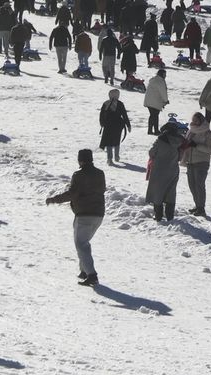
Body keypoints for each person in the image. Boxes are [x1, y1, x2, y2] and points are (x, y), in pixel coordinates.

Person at [45, 149, 106, 287]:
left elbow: (72, 194)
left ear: (80, 160)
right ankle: (84, 270)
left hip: (84, 214)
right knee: (84, 243)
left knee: (81, 244)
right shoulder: (100, 173)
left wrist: (54, 199)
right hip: (98, 214)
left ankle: (92, 275)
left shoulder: (79, 175)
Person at [146, 122, 185, 221]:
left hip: (159, 170)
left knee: (158, 192)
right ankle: (170, 216)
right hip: (173, 170)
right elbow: (180, 157)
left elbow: (152, 152)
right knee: (171, 193)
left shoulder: (161, 139)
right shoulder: (180, 140)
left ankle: (158, 215)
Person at [179, 112, 211, 215]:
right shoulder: (191, 131)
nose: (194, 122)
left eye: (196, 120)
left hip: (202, 162)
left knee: (199, 185)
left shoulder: (207, 133)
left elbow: (209, 149)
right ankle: (197, 205)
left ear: (201, 121)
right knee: (192, 185)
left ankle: (201, 208)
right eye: (193, 120)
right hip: (190, 161)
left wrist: (196, 145)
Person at [99, 89, 131, 165]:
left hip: (108, 126)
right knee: (117, 141)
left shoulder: (106, 103)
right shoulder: (120, 104)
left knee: (108, 142)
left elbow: (101, 114)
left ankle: (109, 159)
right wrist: (128, 125)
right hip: (118, 126)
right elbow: (124, 115)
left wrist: (101, 123)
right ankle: (116, 156)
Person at [144, 69, 169, 135]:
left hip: (149, 100)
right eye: (165, 74)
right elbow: (163, 92)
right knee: (154, 115)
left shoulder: (153, 80)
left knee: (152, 115)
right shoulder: (161, 81)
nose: (165, 76)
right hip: (155, 101)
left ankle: (150, 130)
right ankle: (156, 130)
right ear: (162, 74)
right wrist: (166, 100)